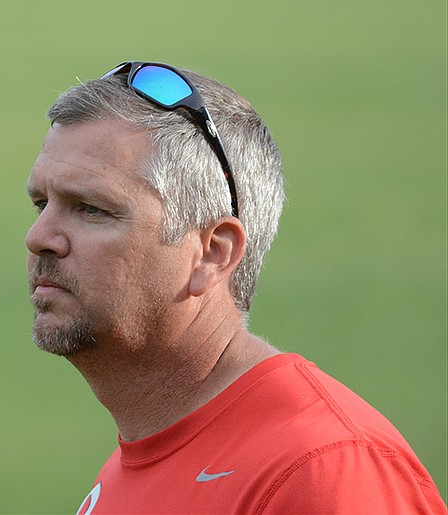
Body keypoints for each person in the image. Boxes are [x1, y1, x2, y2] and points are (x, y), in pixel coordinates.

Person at [24, 61, 446, 514]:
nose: (39, 238)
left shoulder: (320, 469)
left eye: (91, 209)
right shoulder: (147, 449)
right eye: (42, 203)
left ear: (212, 253)